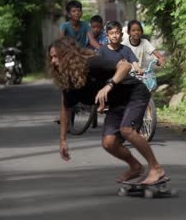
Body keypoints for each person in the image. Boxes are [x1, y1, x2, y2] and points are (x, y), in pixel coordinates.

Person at [48, 35, 166, 184]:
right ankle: (135, 167)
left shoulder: (91, 63)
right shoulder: (68, 82)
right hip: (117, 103)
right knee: (109, 143)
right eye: (51, 58)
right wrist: (63, 140)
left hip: (134, 94)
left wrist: (109, 85)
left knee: (127, 130)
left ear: (68, 56)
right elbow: (66, 109)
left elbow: (125, 66)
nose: (53, 62)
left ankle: (156, 168)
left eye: (56, 57)